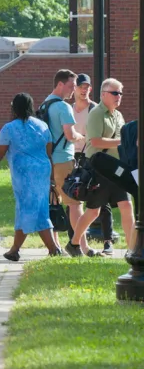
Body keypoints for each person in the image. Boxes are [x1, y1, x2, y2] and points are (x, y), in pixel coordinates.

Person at [67, 78, 136, 256]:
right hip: (100, 168)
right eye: (115, 93)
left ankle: (133, 250)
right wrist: (123, 142)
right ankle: (74, 243)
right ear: (104, 94)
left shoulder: (118, 115)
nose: (118, 96)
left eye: (120, 93)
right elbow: (96, 141)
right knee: (93, 211)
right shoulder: (96, 113)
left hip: (117, 169)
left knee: (127, 206)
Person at [0, 93, 60, 260]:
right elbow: (48, 151)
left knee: (32, 210)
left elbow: (0, 150)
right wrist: (51, 178)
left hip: (24, 174)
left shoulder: (9, 128)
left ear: (14, 108)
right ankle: (14, 250)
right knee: (29, 208)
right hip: (42, 170)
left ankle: (53, 249)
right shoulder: (42, 125)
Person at [43, 69, 100, 256]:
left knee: (53, 202)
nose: (73, 90)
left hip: (47, 160)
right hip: (64, 160)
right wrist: (81, 137)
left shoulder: (45, 104)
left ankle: (55, 246)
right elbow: (69, 134)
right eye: (71, 85)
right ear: (60, 84)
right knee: (75, 204)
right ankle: (80, 247)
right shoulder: (64, 107)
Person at [70, 74, 114, 255]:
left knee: (100, 198)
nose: (84, 89)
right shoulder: (69, 109)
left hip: (93, 157)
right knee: (73, 195)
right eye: (81, 86)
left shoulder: (94, 109)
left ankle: (108, 240)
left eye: (87, 86)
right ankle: (74, 240)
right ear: (74, 88)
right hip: (73, 156)